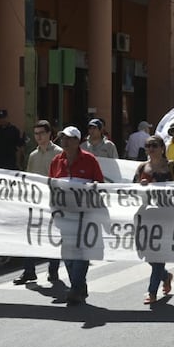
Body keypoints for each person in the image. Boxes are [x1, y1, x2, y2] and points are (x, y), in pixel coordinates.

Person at [49, 126, 105, 305]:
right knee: (68, 252)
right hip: (64, 215)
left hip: (85, 215)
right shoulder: (57, 161)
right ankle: (79, 284)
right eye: (62, 138)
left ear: (77, 141)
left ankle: (75, 288)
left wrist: (90, 188)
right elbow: (51, 185)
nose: (64, 141)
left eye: (68, 138)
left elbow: (100, 185)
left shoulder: (90, 160)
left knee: (81, 251)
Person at [134, 134, 174, 304]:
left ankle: (152, 292)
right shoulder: (142, 168)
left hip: (167, 216)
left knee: (158, 255)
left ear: (162, 148)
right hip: (147, 217)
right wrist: (140, 188)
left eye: (154, 145)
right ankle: (166, 276)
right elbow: (132, 190)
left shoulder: (171, 167)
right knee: (148, 255)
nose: (151, 149)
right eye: (148, 146)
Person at [13, 120, 62, 285]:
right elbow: (29, 177)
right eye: (36, 134)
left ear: (49, 134)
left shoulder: (59, 153)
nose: (39, 137)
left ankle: (53, 270)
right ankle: (29, 271)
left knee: (53, 236)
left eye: (42, 133)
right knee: (30, 235)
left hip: (53, 201)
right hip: (36, 201)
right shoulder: (33, 155)